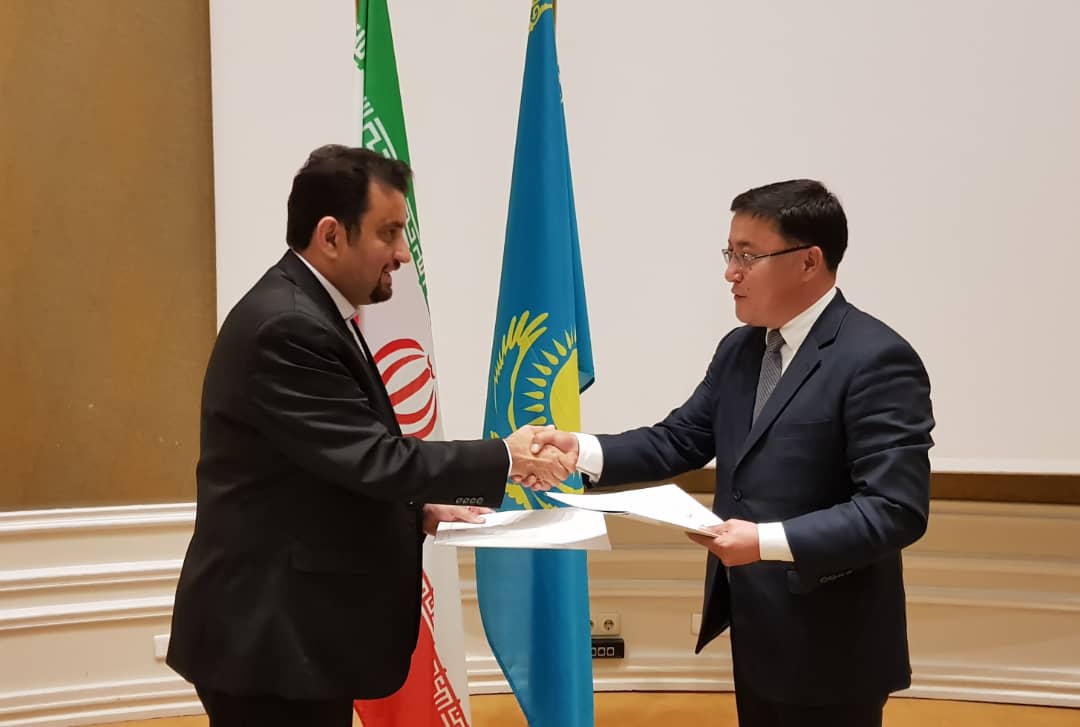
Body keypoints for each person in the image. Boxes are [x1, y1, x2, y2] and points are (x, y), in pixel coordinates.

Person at [167, 145, 571, 727]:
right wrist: (505, 456)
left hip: (288, 635)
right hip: (268, 640)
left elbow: (324, 468)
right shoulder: (288, 326)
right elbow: (375, 458)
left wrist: (419, 508)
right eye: (388, 232)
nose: (403, 253)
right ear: (331, 236)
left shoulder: (312, 308)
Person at [532, 179, 934, 727]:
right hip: (757, 628)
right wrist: (579, 449)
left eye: (748, 256)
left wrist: (764, 541)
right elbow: (680, 438)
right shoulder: (742, 348)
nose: (731, 272)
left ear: (809, 261)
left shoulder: (876, 358)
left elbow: (894, 509)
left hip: (834, 644)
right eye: (730, 254)